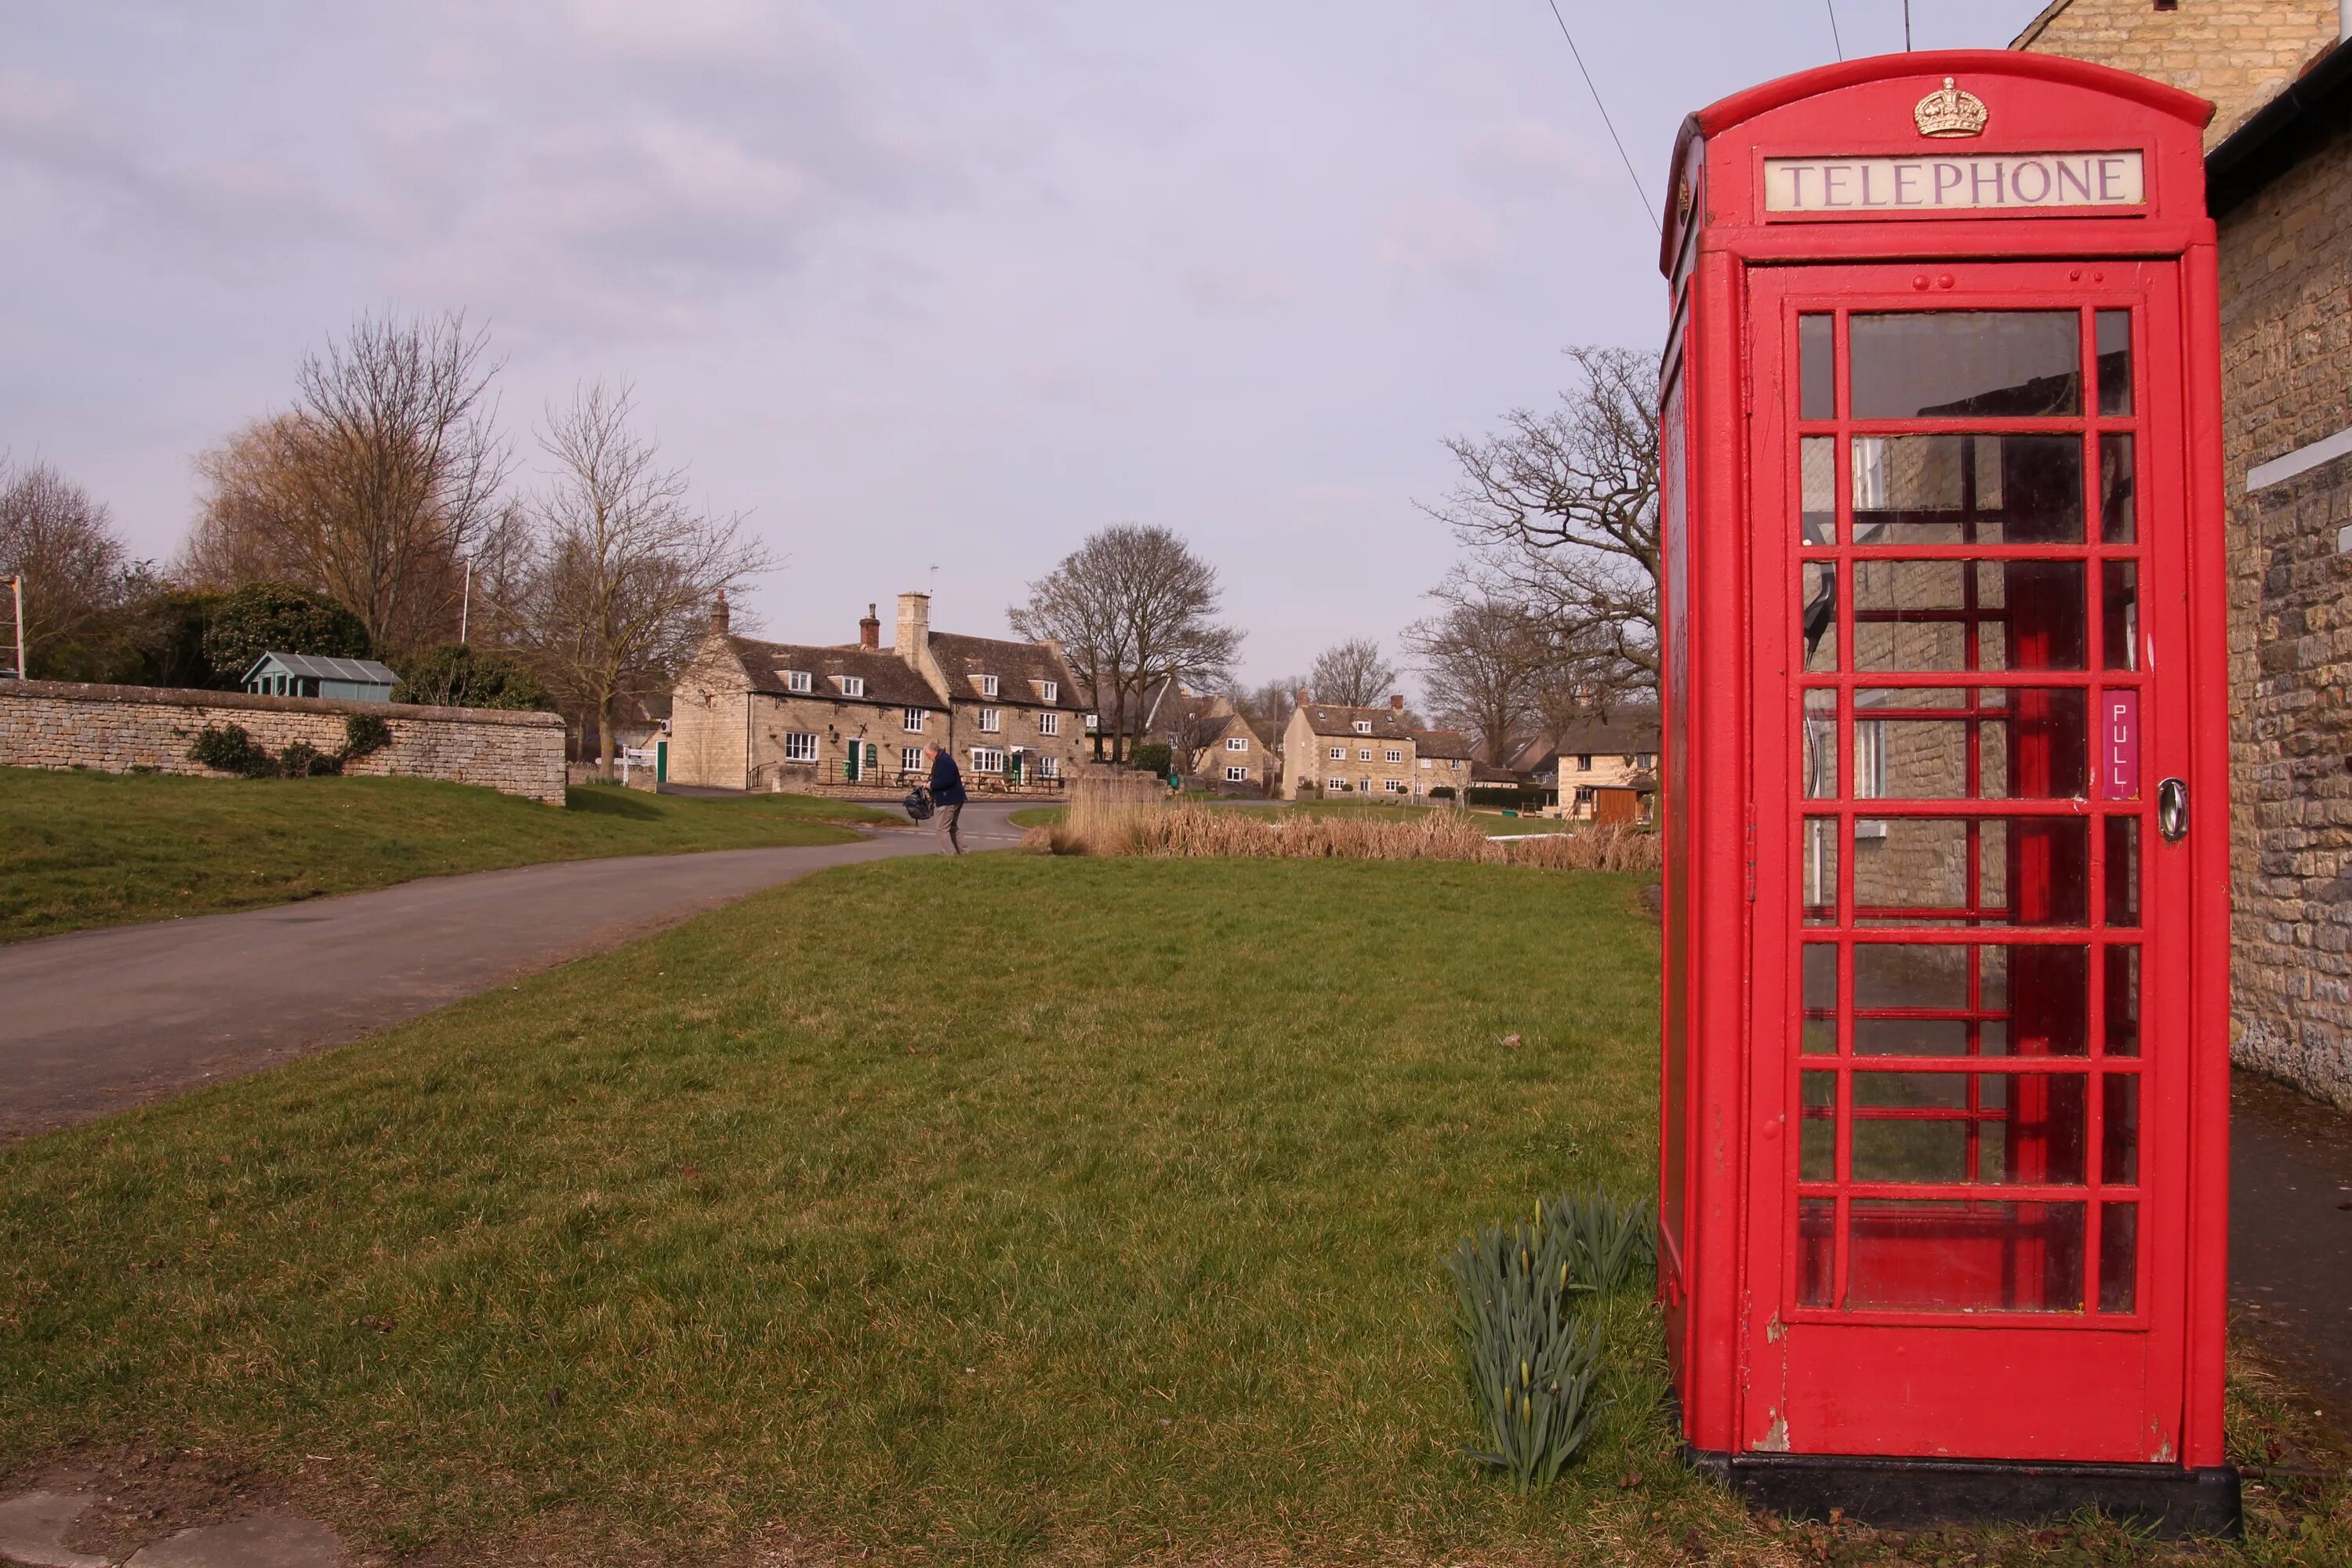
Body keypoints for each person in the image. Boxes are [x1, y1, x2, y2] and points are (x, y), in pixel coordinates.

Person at [924, 741, 967, 855]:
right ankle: (964, 852)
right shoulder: (943, 759)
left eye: (928, 755)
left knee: (941, 829)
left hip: (949, 799)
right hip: (955, 797)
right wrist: (931, 782)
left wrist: (931, 785)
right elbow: (943, 778)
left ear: (934, 752)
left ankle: (947, 854)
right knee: (953, 827)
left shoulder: (943, 761)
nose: (928, 758)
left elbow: (947, 780)